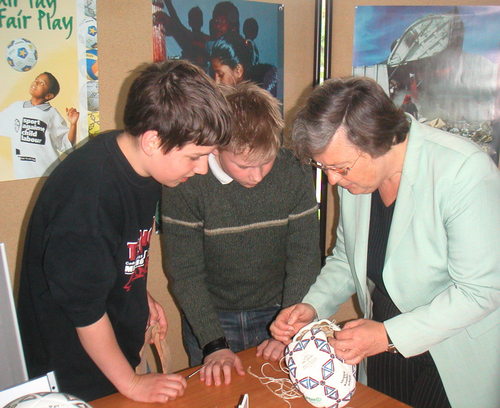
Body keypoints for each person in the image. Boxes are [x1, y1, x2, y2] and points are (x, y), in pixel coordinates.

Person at [270, 77, 500, 408]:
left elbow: (480, 291)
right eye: (324, 168)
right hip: (383, 339)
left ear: (377, 142)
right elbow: (346, 259)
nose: (332, 179)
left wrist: (389, 335)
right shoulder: (356, 180)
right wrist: (313, 306)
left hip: (454, 349)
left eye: (339, 168)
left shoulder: (463, 172)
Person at [16, 60, 232, 403]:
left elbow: (108, 255)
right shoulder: (89, 195)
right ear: (152, 141)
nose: (203, 169)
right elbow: (84, 310)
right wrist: (131, 383)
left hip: (111, 358)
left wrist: (137, 292)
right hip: (77, 375)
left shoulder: (141, 166)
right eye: (195, 156)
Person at [161, 81, 321, 386]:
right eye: (244, 165)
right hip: (211, 315)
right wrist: (213, 343)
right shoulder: (187, 183)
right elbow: (185, 272)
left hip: (280, 308)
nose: (256, 176)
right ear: (217, 147)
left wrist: (289, 329)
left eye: (266, 161)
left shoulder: (293, 170)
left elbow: (304, 258)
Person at [0, 72, 79, 180]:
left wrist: (73, 124)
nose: (35, 83)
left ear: (48, 95)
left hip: (47, 175)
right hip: (22, 176)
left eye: (42, 83)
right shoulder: (16, 108)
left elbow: (66, 145)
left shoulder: (51, 114)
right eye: (36, 79)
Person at [210, 33, 278, 97]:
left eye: (221, 75)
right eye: (213, 75)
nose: (216, 82)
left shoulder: (259, 97)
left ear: (238, 70)